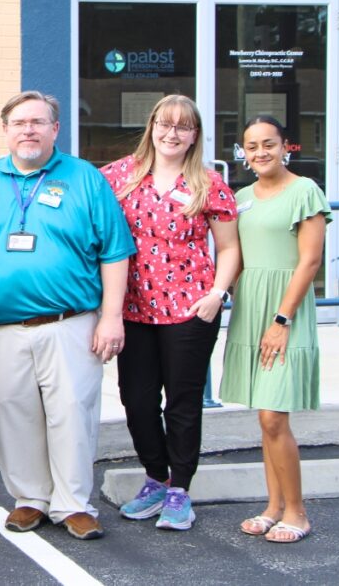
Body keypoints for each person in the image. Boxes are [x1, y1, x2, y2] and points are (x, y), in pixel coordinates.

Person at [0, 90, 134, 540]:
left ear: (55, 129)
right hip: (2, 328)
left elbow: (115, 251)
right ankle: (30, 498)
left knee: (72, 412)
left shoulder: (85, 179)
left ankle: (73, 503)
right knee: (12, 411)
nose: (28, 130)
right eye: (19, 122)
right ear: (6, 130)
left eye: (38, 122)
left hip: (68, 323)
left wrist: (112, 317)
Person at [100, 94, 240, 530]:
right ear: (152, 127)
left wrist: (217, 292)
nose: (172, 133)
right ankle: (155, 478)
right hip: (134, 309)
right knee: (137, 399)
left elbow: (231, 248)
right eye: (165, 124)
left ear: (194, 135)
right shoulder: (120, 175)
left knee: (182, 402)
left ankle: (180, 488)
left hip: (189, 309)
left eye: (182, 127)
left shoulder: (209, 183)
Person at [220, 115, 330, 544]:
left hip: (285, 311)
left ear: (286, 146)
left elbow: (310, 261)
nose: (260, 152)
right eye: (252, 146)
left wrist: (281, 320)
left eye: (269, 143)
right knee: (265, 419)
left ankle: (297, 513)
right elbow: (236, 255)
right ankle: (272, 506)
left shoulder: (305, 191)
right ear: (242, 153)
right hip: (251, 308)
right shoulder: (241, 196)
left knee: (273, 415)